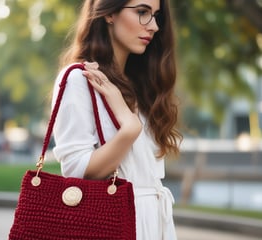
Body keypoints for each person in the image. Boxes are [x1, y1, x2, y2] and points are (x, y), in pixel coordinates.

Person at [52, 0, 182, 239]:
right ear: (110, 13)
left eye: (156, 16)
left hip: (153, 223)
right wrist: (129, 130)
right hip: (115, 223)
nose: (153, 25)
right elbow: (76, 169)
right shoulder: (80, 79)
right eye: (142, 12)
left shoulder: (142, 84)